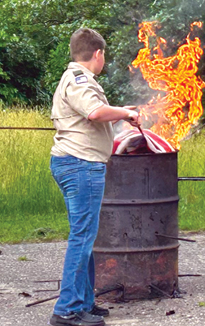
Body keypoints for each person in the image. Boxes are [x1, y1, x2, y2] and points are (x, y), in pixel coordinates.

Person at [49, 28, 139, 326]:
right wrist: (124, 112)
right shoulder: (79, 79)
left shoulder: (76, 79)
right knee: (82, 237)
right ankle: (67, 309)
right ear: (98, 54)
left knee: (85, 235)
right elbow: (95, 112)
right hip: (80, 165)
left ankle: (85, 302)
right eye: (105, 55)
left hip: (78, 163)